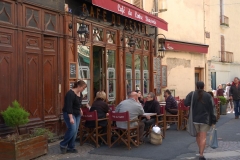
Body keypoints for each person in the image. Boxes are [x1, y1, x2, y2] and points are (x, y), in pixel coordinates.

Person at [184, 81, 217, 160]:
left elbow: (185, 103)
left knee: (198, 136)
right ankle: (201, 154)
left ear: (196, 86)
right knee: (203, 137)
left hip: (195, 118)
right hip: (205, 119)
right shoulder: (208, 96)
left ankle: (200, 150)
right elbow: (213, 108)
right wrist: (213, 120)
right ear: (203, 87)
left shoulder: (192, 94)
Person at [60, 80, 87, 154]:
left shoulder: (80, 94)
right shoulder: (70, 94)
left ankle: (71, 147)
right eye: (83, 88)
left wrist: (80, 109)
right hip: (69, 113)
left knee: (75, 131)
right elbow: (69, 106)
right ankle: (63, 144)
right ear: (79, 86)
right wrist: (71, 117)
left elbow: (78, 103)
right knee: (72, 129)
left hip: (77, 113)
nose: (83, 90)